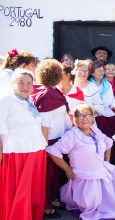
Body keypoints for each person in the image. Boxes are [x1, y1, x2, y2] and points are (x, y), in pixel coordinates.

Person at [46, 104, 115, 219]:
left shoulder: (95, 130)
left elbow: (108, 143)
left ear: (92, 118)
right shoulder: (72, 135)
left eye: (87, 115)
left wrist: (106, 162)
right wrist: (67, 169)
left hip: (101, 172)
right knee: (94, 205)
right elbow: (52, 151)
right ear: (75, 119)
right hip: (85, 179)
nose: (84, 119)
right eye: (80, 116)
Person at [0, 70, 47, 220]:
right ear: (13, 83)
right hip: (16, 153)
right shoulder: (7, 100)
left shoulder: (30, 101)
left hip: (35, 151)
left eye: (29, 83)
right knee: (18, 192)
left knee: (32, 191)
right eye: (21, 82)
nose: (25, 87)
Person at [30, 59, 73, 218]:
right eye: (60, 72)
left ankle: (54, 200)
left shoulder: (46, 90)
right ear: (55, 74)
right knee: (48, 177)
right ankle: (46, 207)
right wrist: (45, 147)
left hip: (57, 140)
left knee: (55, 176)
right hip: (49, 142)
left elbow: (62, 117)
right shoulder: (48, 94)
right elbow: (45, 123)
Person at [89, 62, 115, 165]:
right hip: (94, 118)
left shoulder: (107, 85)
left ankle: (111, 163)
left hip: (107, 117)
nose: (102, 72)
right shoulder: (88, 85)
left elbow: (112, 104)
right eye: (99, 70)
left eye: (102, 70)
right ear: (92, 73)